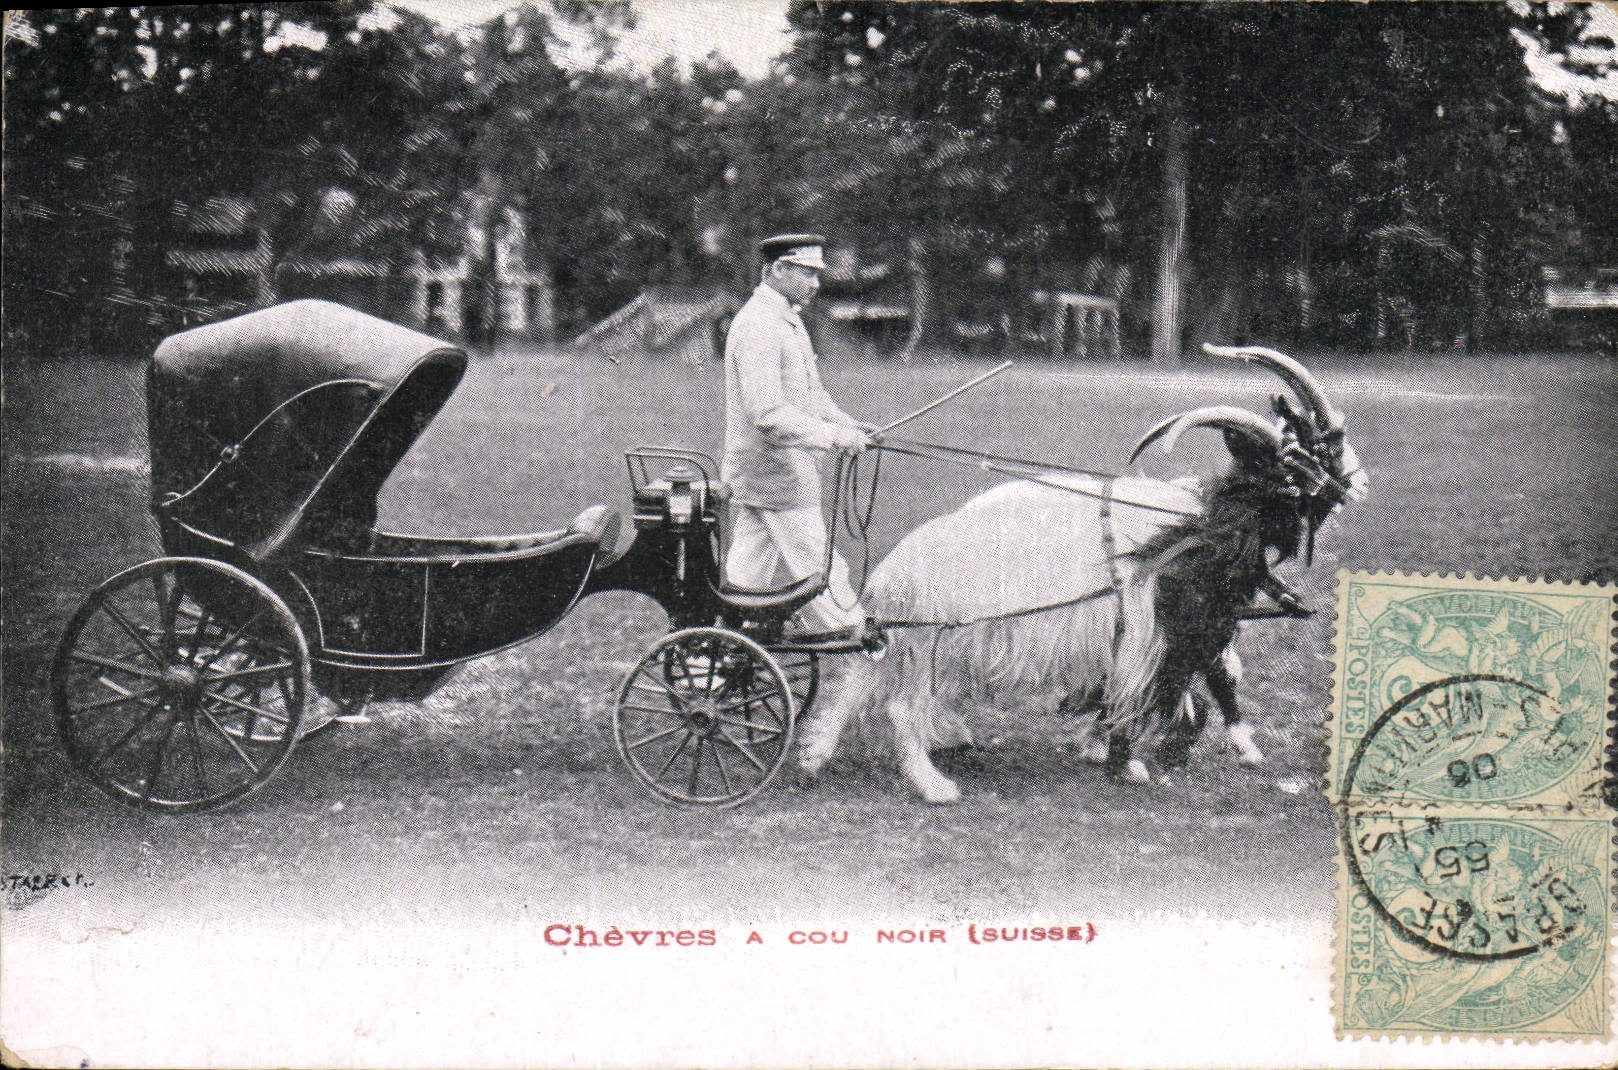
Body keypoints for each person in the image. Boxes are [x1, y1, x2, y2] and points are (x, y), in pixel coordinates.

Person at [721, 233, 874, 641]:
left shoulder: (787, 320)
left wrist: (847, 424)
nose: (816, 283)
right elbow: (767, 413)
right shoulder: (758, 326)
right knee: (819, 570)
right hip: (774, 472)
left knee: (745, 581)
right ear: (777, 270)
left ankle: (710, 664)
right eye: (807, 273)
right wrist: (833, 437)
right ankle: (865, 640)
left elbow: (811, 393)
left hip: (778, 473)